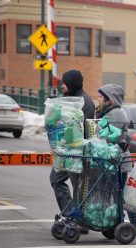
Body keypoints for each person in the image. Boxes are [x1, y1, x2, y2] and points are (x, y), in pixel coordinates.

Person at [49, 70, 95, 227]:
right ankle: (70, 214)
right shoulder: (70, 99)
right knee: (56, 179)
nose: (62, 86)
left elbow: (82, 130)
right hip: (65, 152)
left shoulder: (85, 102)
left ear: (71, 84)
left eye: (64, 83)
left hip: (77, 153)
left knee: (78, 188)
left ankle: (78, 221)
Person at [95, 84, 136, 236]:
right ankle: (127, 222)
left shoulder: (115, 114)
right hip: (112, 160)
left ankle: (128, 224)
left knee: (119, 193)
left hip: (117, 161)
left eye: (101, 97)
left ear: (110, 99)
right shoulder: (108, 112)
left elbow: (106, 137)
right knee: (119, 192)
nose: (98, 99)